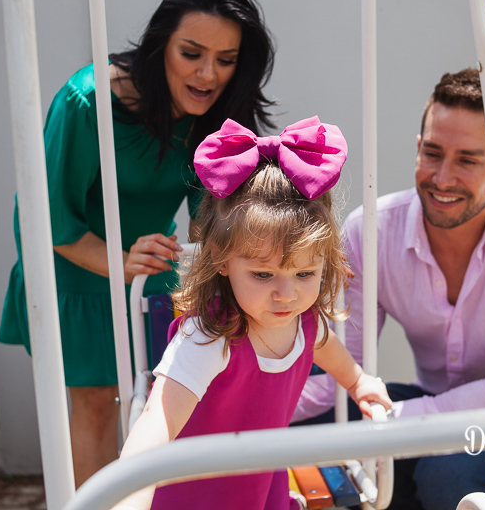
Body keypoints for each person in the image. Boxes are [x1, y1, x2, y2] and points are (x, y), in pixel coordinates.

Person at [0, 0, 277, 487]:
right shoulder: (89, 103)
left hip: (149, 273)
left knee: (153, 405)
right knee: (100, 407)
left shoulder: (213, 116)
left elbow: (205, 219)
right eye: (191, 53)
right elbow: (46, 220)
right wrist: (121, 261)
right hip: (73, 272)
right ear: (159, 47)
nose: (208, 73)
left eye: (226, 59)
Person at [293, 69, 485, 510]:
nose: (443, 178)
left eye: (468, 160)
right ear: (418, 149)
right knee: (311, 434)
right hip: (435, 402)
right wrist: (246, 418)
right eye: (432, 153)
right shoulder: (371, 231)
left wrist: (398, 422)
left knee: (448, 475)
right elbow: (344, 366)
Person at [112, 117, 393, 510]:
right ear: (221, 260)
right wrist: (130, 496)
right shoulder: (209, 335)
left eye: (305, 273)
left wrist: (358, 381)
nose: (286, 294)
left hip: (262, 482)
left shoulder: (305, 321)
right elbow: (157, 421)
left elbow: (323, 345)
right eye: (263, 274)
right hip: (195, 495)